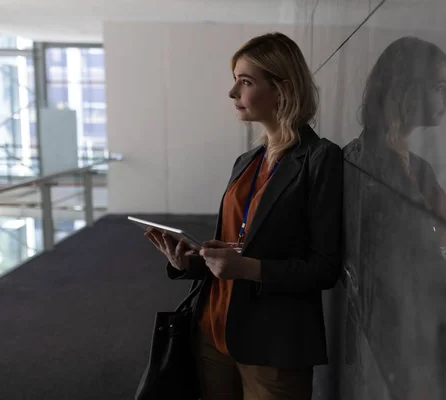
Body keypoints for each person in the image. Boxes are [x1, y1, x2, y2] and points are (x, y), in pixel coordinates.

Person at [145, 32, 343, 400]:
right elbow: (237, 244)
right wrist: (190, 262)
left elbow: (325, 268)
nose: (232, 92)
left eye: (246, 81)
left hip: (273, 346)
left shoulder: (320, 159)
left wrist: (246, 269)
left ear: (282, 89)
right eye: (234, 79)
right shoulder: (247, 160)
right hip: (213, 330)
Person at [341, 37, 446, 399]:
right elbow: (372, 266)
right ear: (405, 89)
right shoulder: (360, 163)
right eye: (440, 87)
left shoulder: (417, 167)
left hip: (414, 331)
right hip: (393, 340)